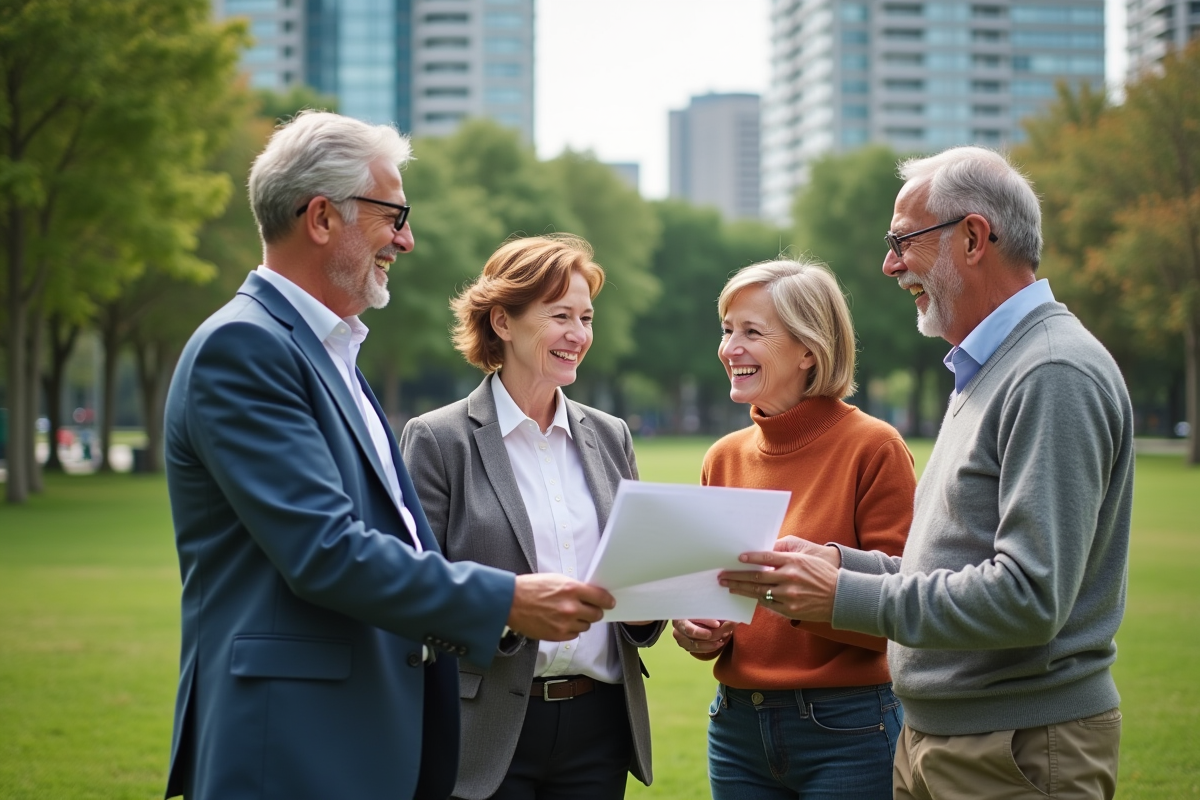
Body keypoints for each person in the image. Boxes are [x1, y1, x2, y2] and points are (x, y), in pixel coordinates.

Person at [162, 112, 616, 800]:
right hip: (290, 743)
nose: (406, 238)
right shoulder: (246, 348)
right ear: (321, 218)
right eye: (393, 215)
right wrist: (506, 599)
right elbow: (325, 551)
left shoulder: (329, 352)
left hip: (358, 736)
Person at [722, 147, 1134, 800]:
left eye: (902, 242)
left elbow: (1029, 597)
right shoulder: (991, 369)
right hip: (949, 740)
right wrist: (838, 567)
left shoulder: (1051, 372)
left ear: (973, 238)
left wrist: (841, 598)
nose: (889, 265)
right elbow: (951, 566)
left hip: (1014, 748)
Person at [400, 234, 664, 800]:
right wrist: (512, 614)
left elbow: (634, 573)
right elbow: (414, 591)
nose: (579, 334)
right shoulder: (437, 439)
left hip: (600, 728)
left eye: (587, 317)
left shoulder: (611, 435)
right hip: (485, 731)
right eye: (560, 315)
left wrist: (654, 609)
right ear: (502, 321)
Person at [672, 259, 916, 799]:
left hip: (850, 729)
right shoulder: (723, 458)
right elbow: (716, 601)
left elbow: (908, 608)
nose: (729, 347)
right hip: (737, 728)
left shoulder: (874, 448)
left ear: (809, 349)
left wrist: (805, 595)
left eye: (751, 332)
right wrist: (698, 628)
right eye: (727, 329)